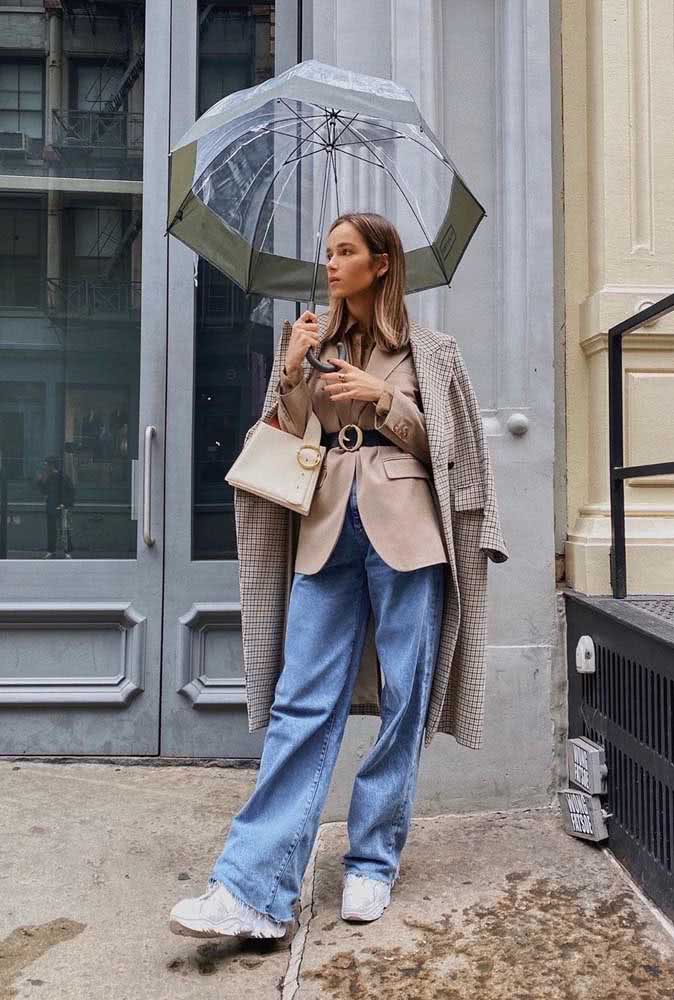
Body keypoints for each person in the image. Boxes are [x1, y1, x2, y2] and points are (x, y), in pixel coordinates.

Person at [170, 212, 449, 941]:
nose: (330, 264)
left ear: (382, 263)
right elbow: (287, 437)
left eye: (346, 252)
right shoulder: (311, 341)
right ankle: (252, 890)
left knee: (403, 700)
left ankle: (372, 863)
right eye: (327, 252)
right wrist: (293, 373)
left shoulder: (431, 349)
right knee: (301, 702)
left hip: (407, 527)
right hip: (325, 525)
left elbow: (446, 446)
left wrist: (382, 398)